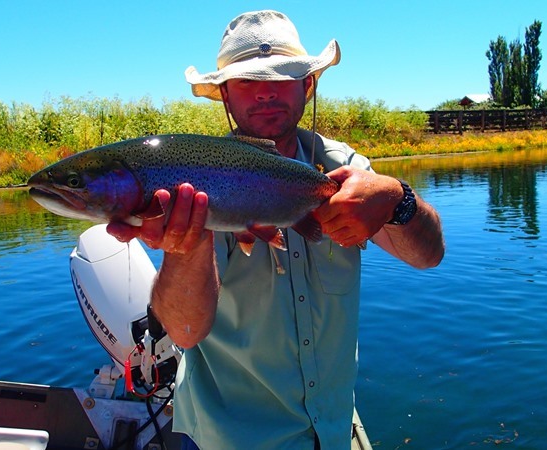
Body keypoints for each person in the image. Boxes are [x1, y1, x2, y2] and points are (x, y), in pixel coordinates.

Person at [108, 9, 445, 450]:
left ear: (308, 85)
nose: (264, 93)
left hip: (334, 429)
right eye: (248, 81)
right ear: (225, 96)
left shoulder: (344, 169)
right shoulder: (195, 183)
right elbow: (185, 333)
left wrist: (397, 200)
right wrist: (184, 246)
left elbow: (429, 254)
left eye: (280, 77)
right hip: (231, 439)